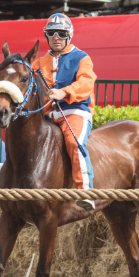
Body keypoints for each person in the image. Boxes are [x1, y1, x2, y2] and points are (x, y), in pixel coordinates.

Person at [32, 13, 98, 210]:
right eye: (51, 33)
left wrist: (64, 92)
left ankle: (86, 192)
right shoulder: (39, 62)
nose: (56, 37)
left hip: (75, 111)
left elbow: (86, 83)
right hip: (46, 115)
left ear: (69, 34)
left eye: (61, 33)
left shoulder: (82, 57)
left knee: (74, 143)